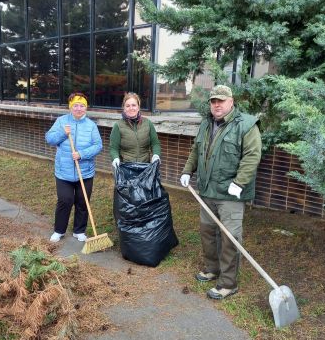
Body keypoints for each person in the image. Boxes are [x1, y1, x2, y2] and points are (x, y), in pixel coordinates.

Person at [180, 85, 262, 299]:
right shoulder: (207, 123)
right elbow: (197, 150)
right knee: (208, 233)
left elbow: (252, 156)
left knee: (230, 238)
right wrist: (188, 170)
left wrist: (240, 182)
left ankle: (228, 282)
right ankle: (212, 268)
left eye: (221, 101)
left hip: (230, 194)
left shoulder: (246, 125)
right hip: (207, 191)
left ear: (231, 102)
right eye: (213, 101)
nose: (217, 104)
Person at [45, 92, 102, 243]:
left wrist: (82, 154)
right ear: (70, 107)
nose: (79, 108)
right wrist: (63, 133)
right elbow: (49, 139)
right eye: (75, 105)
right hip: (64, 171)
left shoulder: (91, 126)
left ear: (86, 108)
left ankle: (79, 231)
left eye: (82, 105)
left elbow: (98, 145)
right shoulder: (61, 121)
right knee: (65, 200)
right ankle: (59, 230)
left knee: (83, 201)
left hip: (85, 172)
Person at [109, 92, 161, 167]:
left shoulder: (148, 123)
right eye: (127, 106)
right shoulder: (118, 126)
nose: (131, 108)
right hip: (126, 168)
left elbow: (155, 143)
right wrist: (115, 158)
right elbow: (113, 148)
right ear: (124, 108)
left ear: (138, 107)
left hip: (145, 167)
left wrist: (156, 155)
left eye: (134, 105)